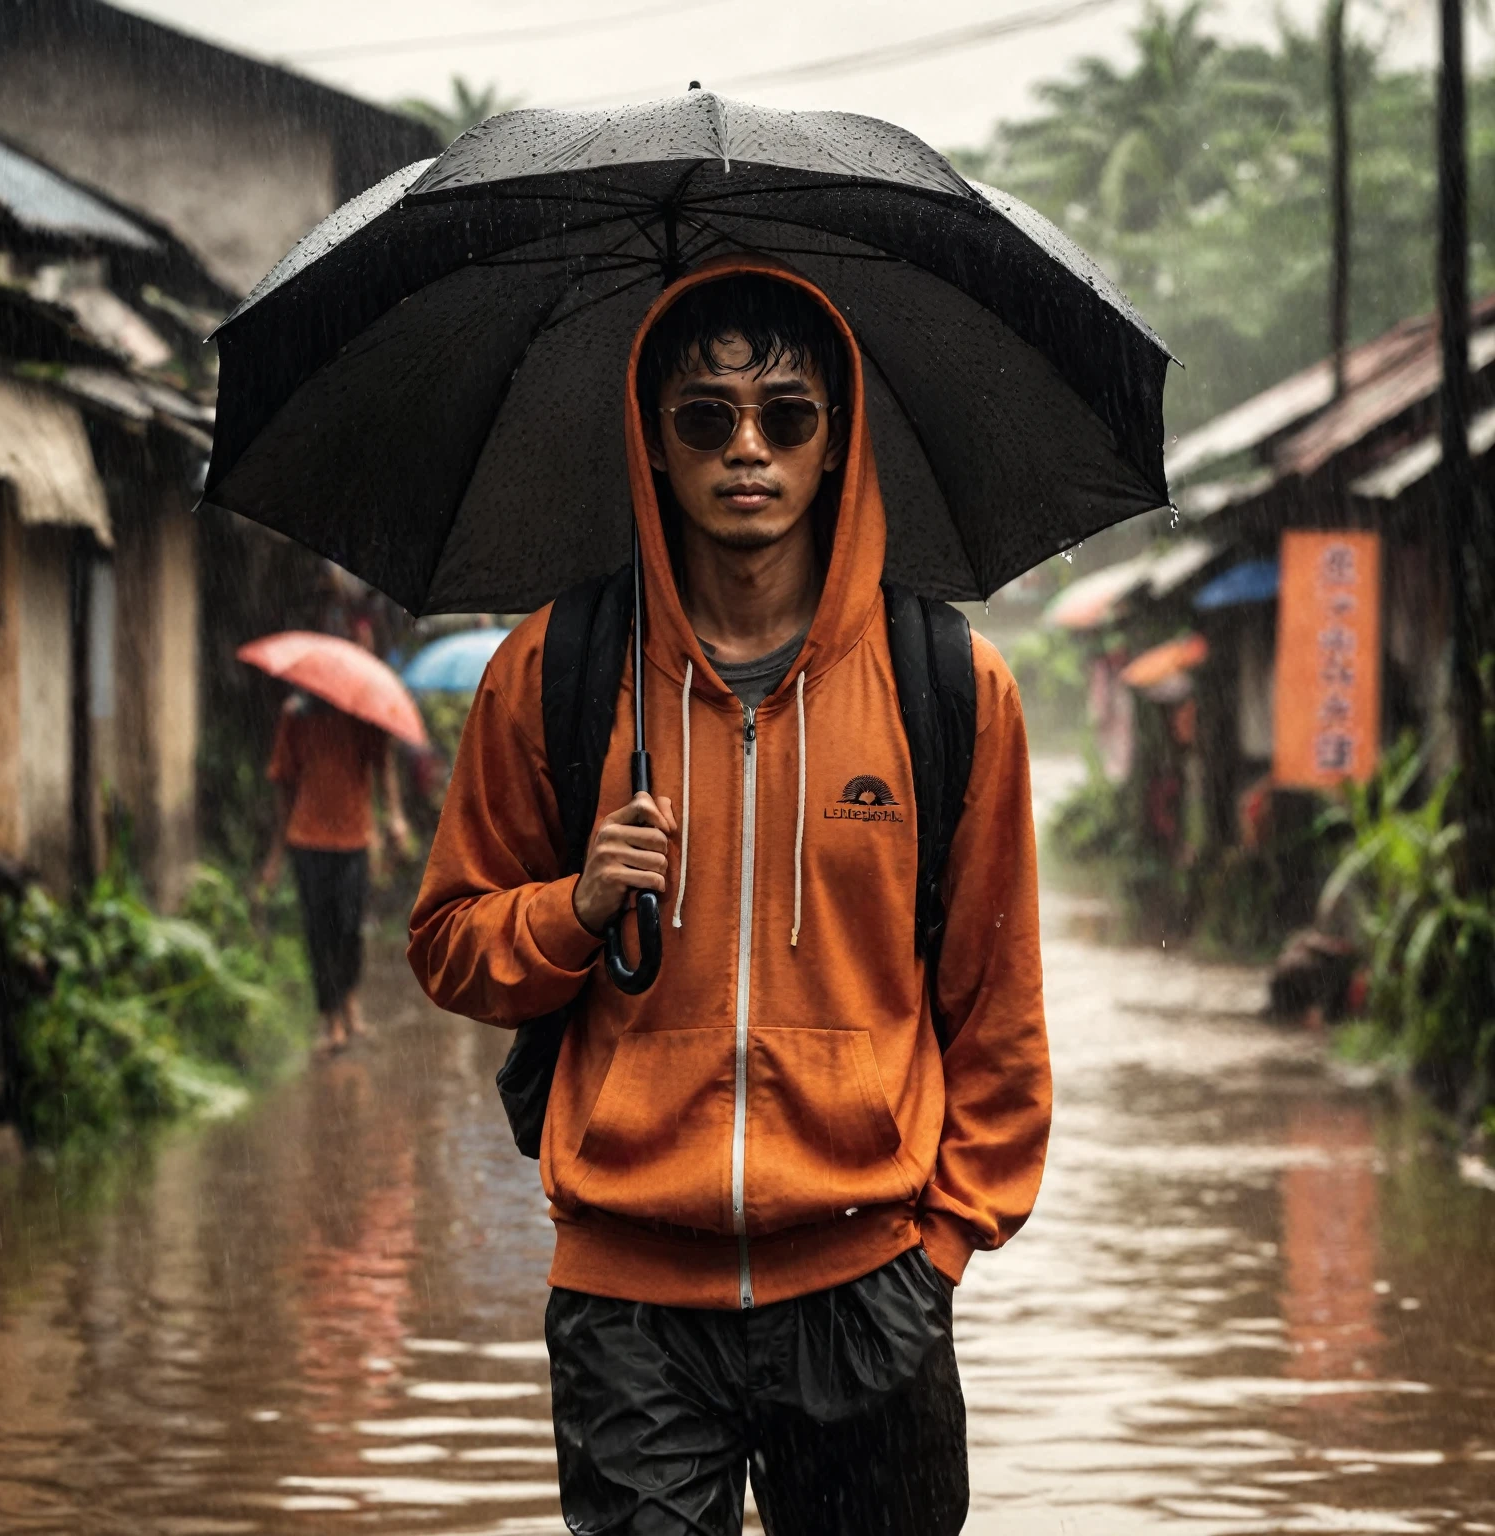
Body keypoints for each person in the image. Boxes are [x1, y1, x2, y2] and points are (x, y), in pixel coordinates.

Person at [408, 260, 1050, 1535]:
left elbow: (999, 1009)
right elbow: (448, 943)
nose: (745, 448)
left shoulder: (951, 687)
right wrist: (574, 908)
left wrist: (945, 1248)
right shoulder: (555, 671)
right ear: (655, 444)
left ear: (834, 443)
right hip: (631, 1308)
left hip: (871, 1284)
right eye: (705, 416)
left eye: (786, 417)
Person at [262, 694, 409, 1053]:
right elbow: (284, 778)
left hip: (354, 838)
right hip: (307, 839)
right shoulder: (296, 714)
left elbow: (383, 763)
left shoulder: (365, 713)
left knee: (349, 926)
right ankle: (330, 1018)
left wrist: (394, 815)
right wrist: (277, 849)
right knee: (318, 931)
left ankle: (350, 1005)